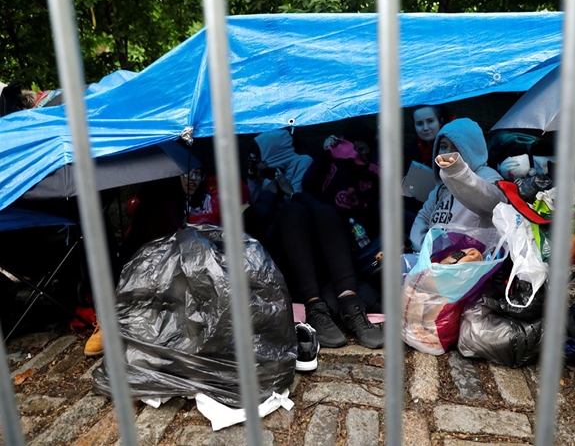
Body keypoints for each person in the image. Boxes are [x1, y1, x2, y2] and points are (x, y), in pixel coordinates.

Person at [243, 135, 383, 349]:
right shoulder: (264, 184)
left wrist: (293, 193)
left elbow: (320, 207)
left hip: (325, 260)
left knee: (325, 212)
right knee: (293, 212)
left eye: (258, 156)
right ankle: (314, 308)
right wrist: (267, 189)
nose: (255, 161)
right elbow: (250, 223)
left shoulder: (304, 168)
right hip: (286, 264)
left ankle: (351, 304)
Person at [85, 167, 213, 356]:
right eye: (188, 173)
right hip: (141, 274)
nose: (193, 179)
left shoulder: (176, 200)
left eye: (198, 174)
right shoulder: (162, 202)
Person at [409, 118, 505, 252]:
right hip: (438, 262)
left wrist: (458, 173)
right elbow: (424, 216)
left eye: (457, 148)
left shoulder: (487, 175)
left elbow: (496, 202)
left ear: (471, 150)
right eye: (443, 147)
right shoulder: (440, 186)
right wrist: (424, 249)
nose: (448, 153)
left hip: (471, 262)